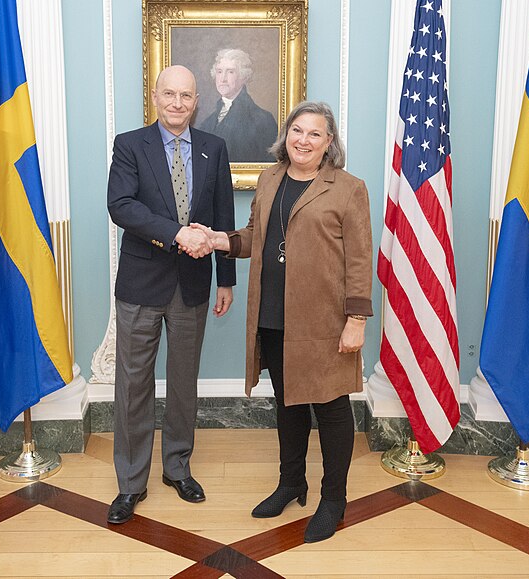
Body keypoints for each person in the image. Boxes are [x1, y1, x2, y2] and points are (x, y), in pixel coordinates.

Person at [193, 101, 372, 543]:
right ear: (286, 134)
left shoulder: (349, 188)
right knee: (288, 401)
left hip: (325, 319)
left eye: (315, 134)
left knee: (330, 408)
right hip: (273, 313)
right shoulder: (271, 177)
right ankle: (292, 483)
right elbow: (257, 235)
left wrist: (356, 320)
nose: (303, 140)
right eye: (297, 130)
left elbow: (359, 260)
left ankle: (334, 498)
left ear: (329, 143)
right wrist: (220, 239)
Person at [106, 65, 236, 524]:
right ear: (155, 97)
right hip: (141, 285)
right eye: (169, 94)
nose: (178, 103)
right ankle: (130, 484)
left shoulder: (213, 149)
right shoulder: (129, 145)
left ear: (196, 100)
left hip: (193, 286)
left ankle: (177, 467)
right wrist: (177, 233)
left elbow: (222, 214)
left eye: (186, 95)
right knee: (133, 385)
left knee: (184, 382)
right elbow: (121, 206)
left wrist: (226, 279)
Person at [197, 48, 278, 163]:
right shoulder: (207, 123)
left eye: (230, 72)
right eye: (219, 71)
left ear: (243, 76)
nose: (223, 79)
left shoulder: (263, 120)